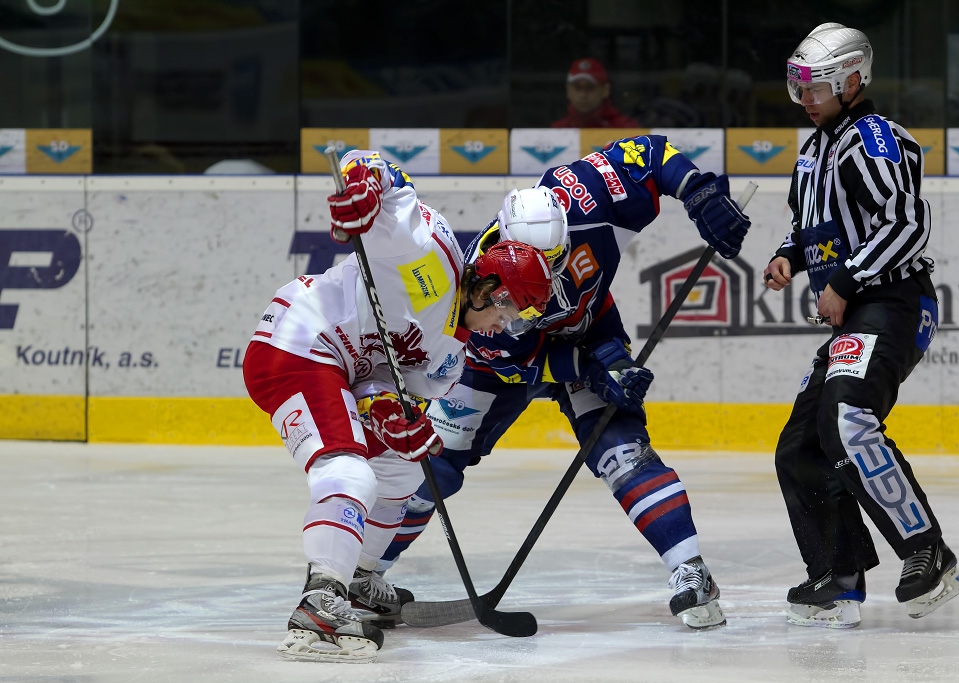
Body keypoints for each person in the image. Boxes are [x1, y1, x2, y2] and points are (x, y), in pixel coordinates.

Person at [378, 135, 751, 629]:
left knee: (623, 452)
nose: (548, 278)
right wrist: (592, 369)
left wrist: (698, 192)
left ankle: (690, 569)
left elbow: (650, 155)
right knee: (434, 463)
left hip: (592, 331)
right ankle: (366, 574)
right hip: (510, 362)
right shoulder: (480, 290)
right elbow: (520, 366)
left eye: (557, 259)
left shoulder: (585, 193)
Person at [242, 149, 553, 662]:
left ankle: (360, 580)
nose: (506, 326)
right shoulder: (434, 259)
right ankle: (320, 602)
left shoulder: (449, 360)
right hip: (298, 342)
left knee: (404, 470)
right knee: (350, 472)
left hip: (341, 370)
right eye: (510, 310)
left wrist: (389, 412)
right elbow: (381, 174)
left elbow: (382, 389)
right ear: (488, 287)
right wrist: (365, 181)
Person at [763, 23, 959, 629]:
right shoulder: (814, 149)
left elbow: (906, 223)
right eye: (798, 87)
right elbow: (812, 224)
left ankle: (927, 551)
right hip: (860, 311)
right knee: (801, 445)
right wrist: (789, 255)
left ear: (852, 81)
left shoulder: (871, 138)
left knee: (848, 418)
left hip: (894, 302)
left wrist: (844, 283)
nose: (804, 99)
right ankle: (839, 576)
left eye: (815, 87)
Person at [551, 57, 640, 128]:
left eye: (590, 87)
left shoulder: (625, 128)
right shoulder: (557, 130)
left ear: (605, 90)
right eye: (577, 88)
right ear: (568, 90)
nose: (583, 95)